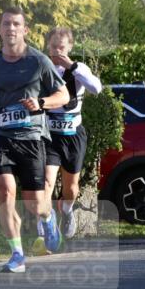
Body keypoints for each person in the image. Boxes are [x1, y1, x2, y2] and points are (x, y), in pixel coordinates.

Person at [0, 7, 69, 272]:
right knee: (5, 192)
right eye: (6, 24)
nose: (11, 29)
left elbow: (63, 96)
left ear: (25, 30)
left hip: (31, 138)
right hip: (1, 136)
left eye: (16, 24)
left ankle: (48, 217)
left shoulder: (39, 61)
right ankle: (17, 254)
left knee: (34, 205)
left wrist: (40, 102)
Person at [41, 28, 103, 238]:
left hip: (73, 136)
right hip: (50, 136)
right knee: (47, 181)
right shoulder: (43, 68)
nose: (57, 52)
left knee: (71, 188)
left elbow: (96, 88)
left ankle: (66, 210)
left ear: (69, 48)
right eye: (53, 47)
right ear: (47, 47)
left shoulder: (78, 69)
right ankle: (46, 224)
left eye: (61, 47)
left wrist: (72, 67)